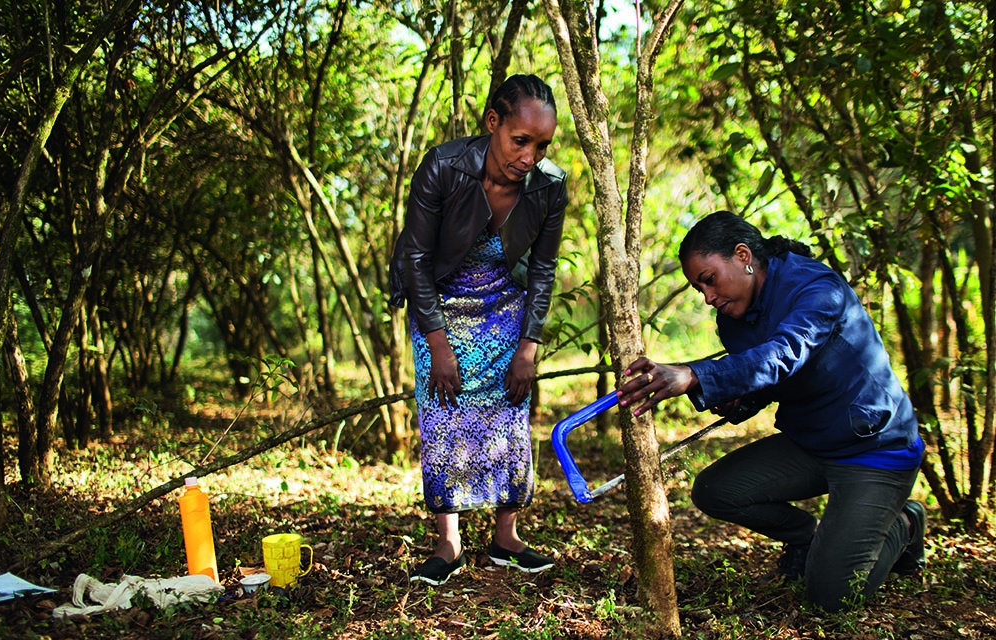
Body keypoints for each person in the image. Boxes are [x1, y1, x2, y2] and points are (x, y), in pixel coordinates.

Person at [617, 211, 926, 612]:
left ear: (743, 255)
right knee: (716, 491)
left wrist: (694, 375)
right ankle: (805, 537)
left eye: (709, 279)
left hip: (873, 449)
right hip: (812, 442)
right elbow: (766, 378)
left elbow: (785, 354)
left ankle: (905, 522)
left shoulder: (817, 287)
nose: (708, 296)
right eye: (699, 289)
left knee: (830, 598)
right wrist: (738, 400)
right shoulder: (732, 318)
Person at [388, 74, 567, 586]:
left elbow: (542, 269)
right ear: (493, 123)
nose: (529, 156)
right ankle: (449, 542)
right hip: (438, 299)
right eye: (520, 140)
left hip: (502, 303)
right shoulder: (444, 166)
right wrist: (438, 345)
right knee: (443, 409)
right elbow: (418, 259)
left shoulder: (550, 185)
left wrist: (528, 347)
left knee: (511, 410)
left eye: (541, 145)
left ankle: (506, 537)